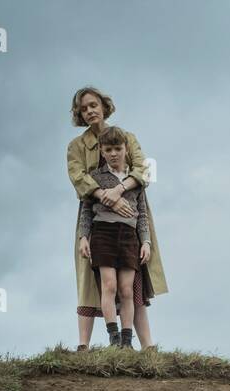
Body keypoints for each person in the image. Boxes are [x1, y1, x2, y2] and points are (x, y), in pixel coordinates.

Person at [66, 86, 168, 350]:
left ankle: (144, 346)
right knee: (93, 281)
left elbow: (143, 169)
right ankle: (84, 345)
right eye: (83, 108)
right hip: (96, 215)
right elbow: (78, 177)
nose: (89, 111)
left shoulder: (127, 137)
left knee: (132, 283)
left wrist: (119, 190)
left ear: (103, 105)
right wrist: (103, 195)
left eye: (93, 105)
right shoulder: (76, 146)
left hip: (130, 211)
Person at [77, 128, 151, 350]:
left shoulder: (135, 180)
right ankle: (114, 337)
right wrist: (83, 237)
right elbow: (86, 210)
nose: (114, 154)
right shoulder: (95, 178)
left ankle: (127, 341)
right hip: (103, 234)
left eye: (118, 149)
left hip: (129, 237)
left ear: (126, 149)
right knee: (109, 285)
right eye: (108, 149)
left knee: (126, 289)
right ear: (101, 150)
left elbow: (143, 213)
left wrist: (146, 241)